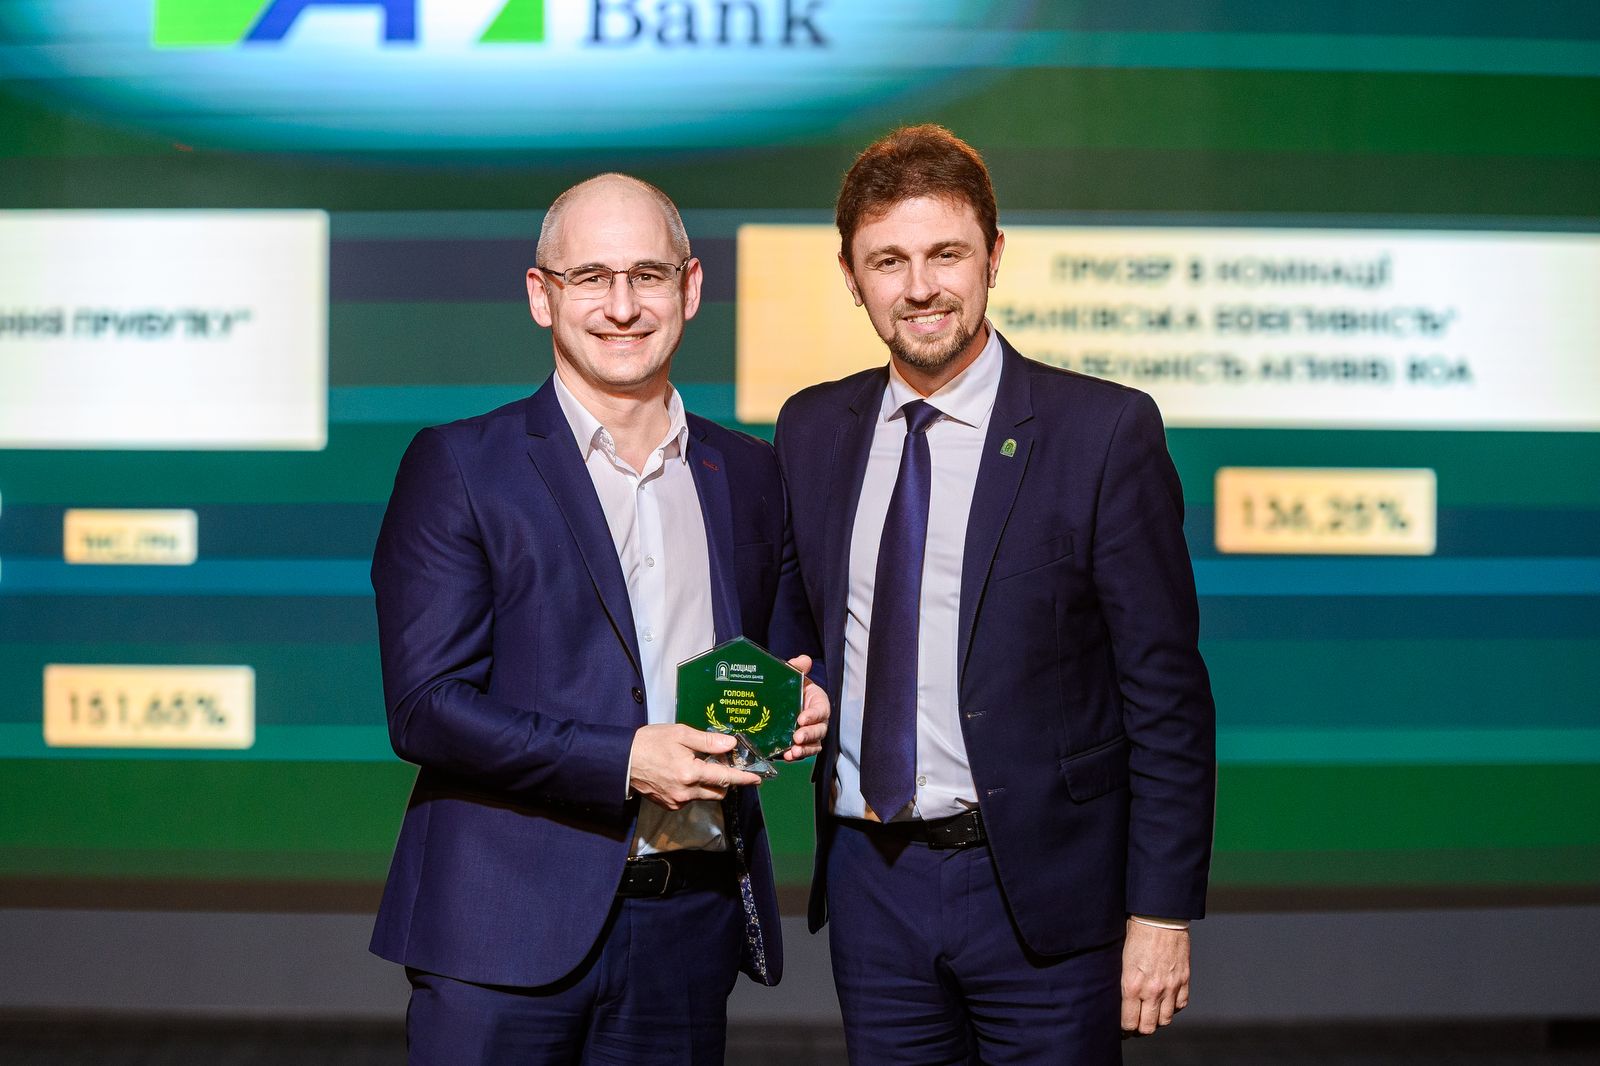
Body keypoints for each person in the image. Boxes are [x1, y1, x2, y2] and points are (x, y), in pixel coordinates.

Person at [773, 126, 1216, 1064]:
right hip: (871, 886)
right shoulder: (811, 428)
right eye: (887, 261)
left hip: (1045, 891)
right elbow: (809, 630)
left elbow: (1167, 697)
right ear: (851, 276)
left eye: (946, 253)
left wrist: (1162, 911)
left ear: (994, 256)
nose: (920, 286)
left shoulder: (1103, 433)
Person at [369, 173, 828, 1065]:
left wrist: (804, 706)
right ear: (541, 295)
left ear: (691, 287)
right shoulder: (460, 465)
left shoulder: (750, 473)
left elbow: (783, 656)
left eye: (647, 275)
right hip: (500, 932)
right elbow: (425, 707)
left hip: (687, 927)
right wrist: (623, 759)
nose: (622, 306)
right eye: (590, 277)